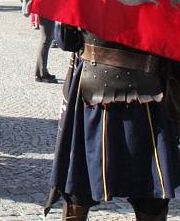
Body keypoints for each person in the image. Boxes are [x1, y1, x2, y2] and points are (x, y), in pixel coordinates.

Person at [45, 26, 180, 220]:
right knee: (151, 192)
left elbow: (67, 40)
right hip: (147, 98)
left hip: (94, 94)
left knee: (78, 183)